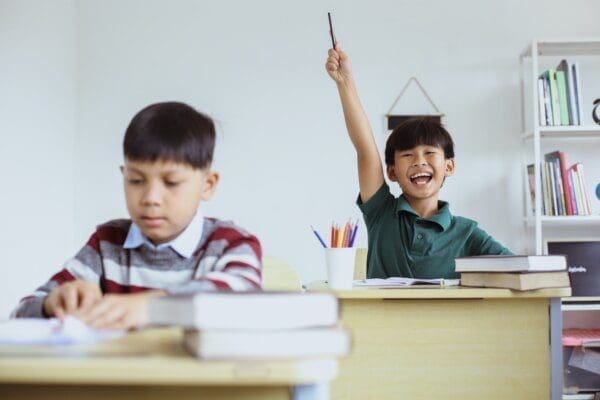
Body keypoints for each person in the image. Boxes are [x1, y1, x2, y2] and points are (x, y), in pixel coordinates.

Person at [12, 101, 262, 329]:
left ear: (207, 184)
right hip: (120, 378)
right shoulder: (106, 243)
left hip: (199, 379)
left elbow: (243, 303)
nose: (150, 197)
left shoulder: (231, 244)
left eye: (172, 182)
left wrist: (152, 307)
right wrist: (52, 304)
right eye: (136, 180)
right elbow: (20, 313)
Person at [325, 45, 512, 279]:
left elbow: (517, 268)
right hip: (381, 317)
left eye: (429, 153)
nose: (419, 162)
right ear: (392, 172)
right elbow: (366, 150)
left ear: (449, 166)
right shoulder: (381, 213)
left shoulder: (467, 233)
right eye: (407, 155)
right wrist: (345, 82)